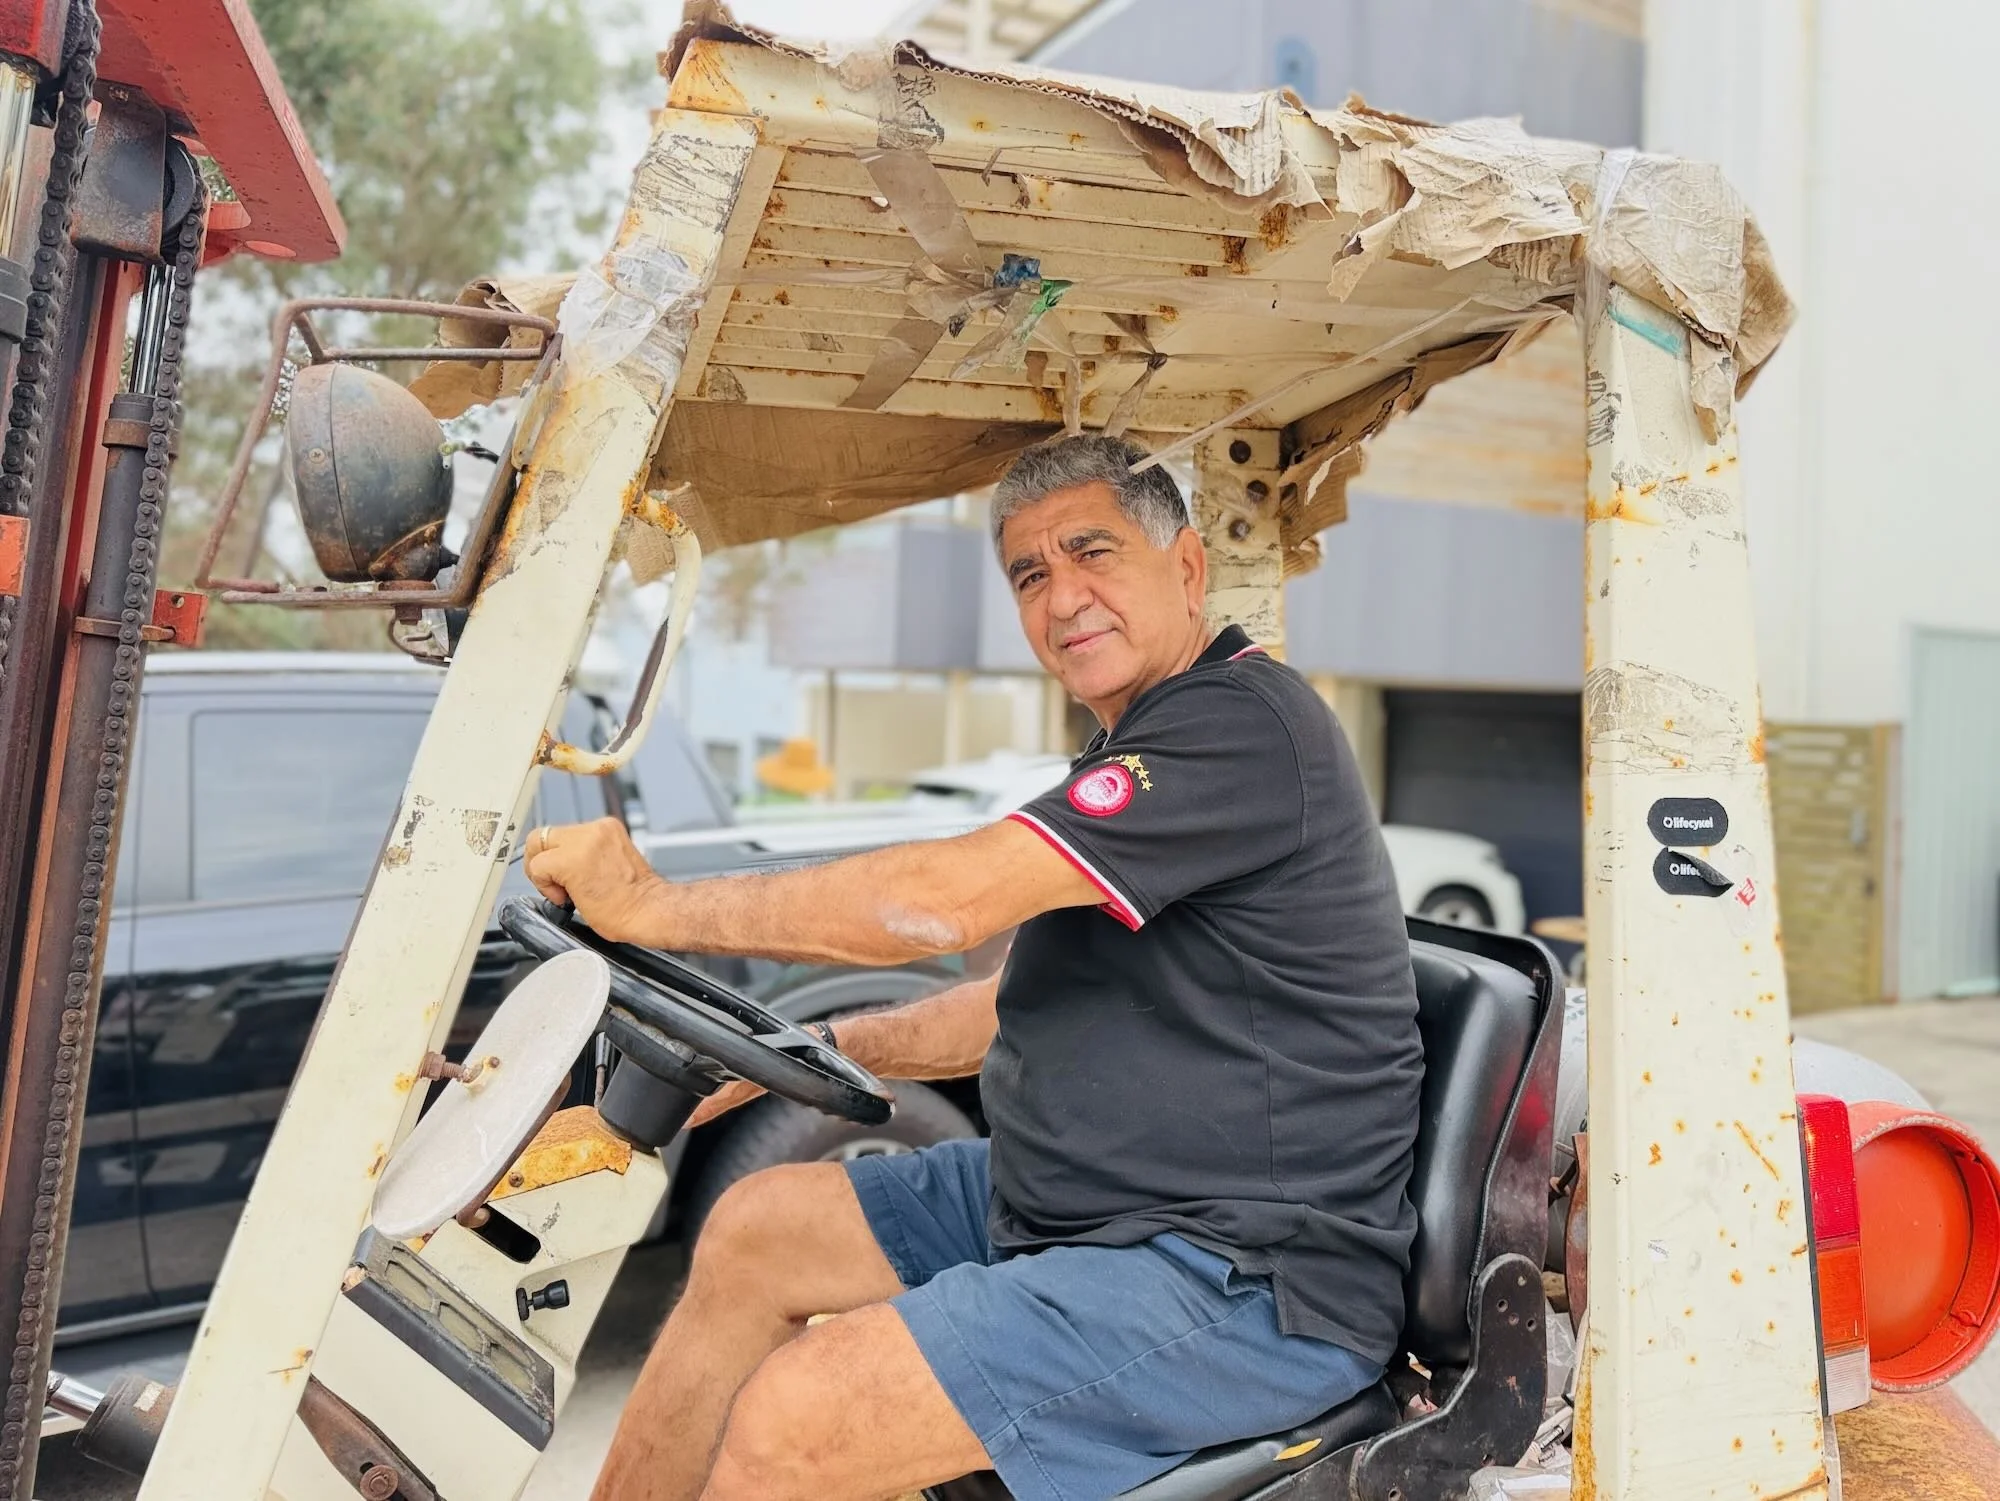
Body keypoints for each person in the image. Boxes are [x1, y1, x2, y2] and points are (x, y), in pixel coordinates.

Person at [524, 434, 1423, 1501]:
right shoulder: (1132, 748)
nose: (1063, 597)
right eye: (1030, 574)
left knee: (803, 1413)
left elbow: (940, 901)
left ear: (1186, 567)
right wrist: (820, 1044)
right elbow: (1009, 1006)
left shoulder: (1240, 728)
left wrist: (654, 906)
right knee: (758, 1228)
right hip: (1079, 1208)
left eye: (1092, 552)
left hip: (1242, 1277)